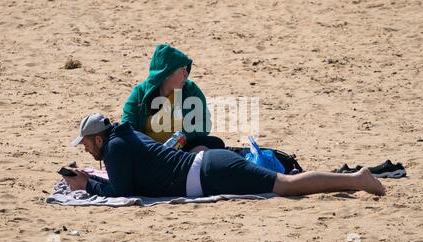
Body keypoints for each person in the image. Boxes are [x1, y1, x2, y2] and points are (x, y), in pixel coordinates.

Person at [64, 113, 386, 198]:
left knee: (288, 186)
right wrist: (92, 178)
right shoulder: (124, 135)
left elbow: (123, 190)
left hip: (211, 174)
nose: (87, 150)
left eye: (87, 144)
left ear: (97, 138)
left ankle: (357, 179)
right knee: (286, 184)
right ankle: (355, 179)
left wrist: (87, 186)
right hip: (210, 167)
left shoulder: (115, 148)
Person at [121, 44, 225, 153]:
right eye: (182, 69)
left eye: (186, 69)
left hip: (181, 149)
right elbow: (127, 127)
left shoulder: (190, 90)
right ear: (166, 73)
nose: (186, 74)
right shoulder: (140, 93)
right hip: (148, 151)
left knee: (215, 143)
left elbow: (204, 123)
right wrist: (149, 146)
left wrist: (183, 137)